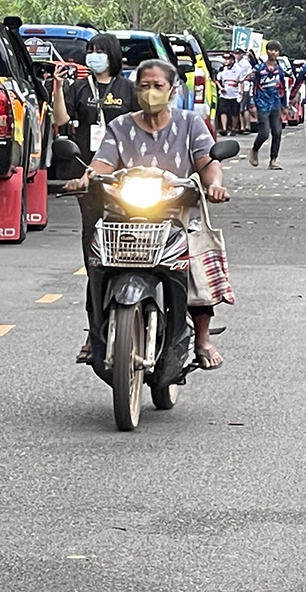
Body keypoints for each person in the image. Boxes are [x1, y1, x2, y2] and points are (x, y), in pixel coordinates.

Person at [67, 59, 230, 369]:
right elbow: (102, 162)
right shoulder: (120, 126)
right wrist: (86, 177)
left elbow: (208, 163)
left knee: (195, 265)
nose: (151, 92)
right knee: (99, 262)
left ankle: (202, 339)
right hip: (124, 216)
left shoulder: (190, 123)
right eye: (144, 86)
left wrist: (216, 185)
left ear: (172, 90)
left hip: (177, 215)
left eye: (158, 86)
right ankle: (95, 332)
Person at [53, 33, 138, 277]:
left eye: (99, 51)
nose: (93, 56)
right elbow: (61, 119)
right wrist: (58, 87)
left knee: (126, 220)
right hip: (85, 168)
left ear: (112, 55)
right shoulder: (79, 87)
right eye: (90, 51)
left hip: (123, 169)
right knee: (92, 225)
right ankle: (96, 277)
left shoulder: (128, 88)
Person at [247, 41, 288, 169]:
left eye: (276, 50)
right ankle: (254, 150)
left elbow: (283, 88)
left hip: (275, 103)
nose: (273, 53)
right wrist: (252, 103)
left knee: (277, 132)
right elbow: (251, 86)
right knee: (264, 132)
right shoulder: (259, 69)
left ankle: (273, 160)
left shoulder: (279, 70)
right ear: (267, 51)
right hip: (262, 103)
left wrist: (284, 105)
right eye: (271, 50)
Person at [217, 51, 245, 135]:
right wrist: (220, 88)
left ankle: (233, 129)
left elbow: (241, 82)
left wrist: (241, 93)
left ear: (232, 60)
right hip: (224, 94)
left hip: (234, 93)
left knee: (234, 113)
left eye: (228, 58)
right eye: (224, 58)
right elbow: (217, 80)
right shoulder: (222, 69)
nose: (226, 60)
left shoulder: (238, 70)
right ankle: (224, 128)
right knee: (223, 111)